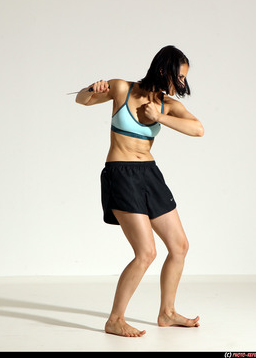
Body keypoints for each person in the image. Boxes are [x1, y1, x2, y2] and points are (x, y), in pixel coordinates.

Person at [75, 46, 204, 337]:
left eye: (184, 78)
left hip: (150, 174)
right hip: (121, 174)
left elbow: (198, 129)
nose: (181, 84)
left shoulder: (167, 105)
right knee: (146, 252)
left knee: (180, 246)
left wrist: (159, 118)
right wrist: (91, 88)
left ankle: (167, 313)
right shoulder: (122, 88)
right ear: (163, 70)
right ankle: (115, 319)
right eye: (179, 76)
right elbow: (83, 100)